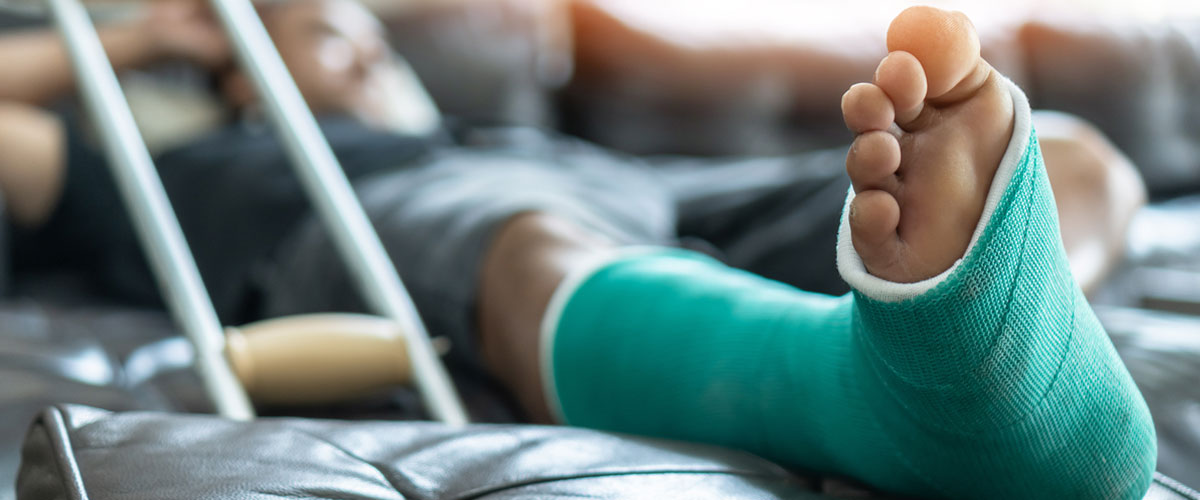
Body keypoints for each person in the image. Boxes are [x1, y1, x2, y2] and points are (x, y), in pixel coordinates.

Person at [0, 2, 1157, 497]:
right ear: (248, 83)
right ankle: (936, 375)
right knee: (522, 240)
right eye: (326, 42)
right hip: (441, 206)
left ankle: (987, 298)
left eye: (371, 40)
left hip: (635, 188)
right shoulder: (201, 164)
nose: (368, 54)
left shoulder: (498, 123)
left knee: (1073, 157)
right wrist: (141, 38)